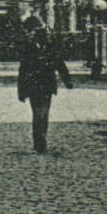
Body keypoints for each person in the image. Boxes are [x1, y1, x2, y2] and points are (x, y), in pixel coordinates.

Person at [16, 26, 73, 154]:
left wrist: (67, 81)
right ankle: (39, 142)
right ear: (38, 37)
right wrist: (21, 92)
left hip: (47, 87)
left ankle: (41, 141)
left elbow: (60, 65)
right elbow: (23, 71)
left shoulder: (51, 49)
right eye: (43, 36)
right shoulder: (29, 50)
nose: (45, 39)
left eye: (46, 37)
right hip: (33, 88)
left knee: (44, 114)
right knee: (38, 114)